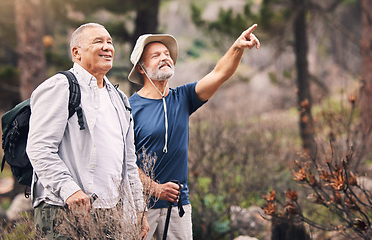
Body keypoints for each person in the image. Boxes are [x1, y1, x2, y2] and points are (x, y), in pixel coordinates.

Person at [128, 24, 260, 240]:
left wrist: (237, 47)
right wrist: (155, 188)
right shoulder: (128, 108)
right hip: (140, 208)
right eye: (156, 55)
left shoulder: (183, 97)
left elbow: (219, 74)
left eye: (167, 54)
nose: (165, 58)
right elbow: (124, 161)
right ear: (141, 68)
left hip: (178, 205)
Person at [26, 23, 149, 239]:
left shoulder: (120, 100)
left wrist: (139, 209)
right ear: (76, 53)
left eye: (110, 42)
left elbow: (129, 162)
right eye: (98, 41)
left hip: (110, 213)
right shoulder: (60, 87)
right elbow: (38, 148)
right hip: (63, 210)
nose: (107, 47)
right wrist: (69, 189)